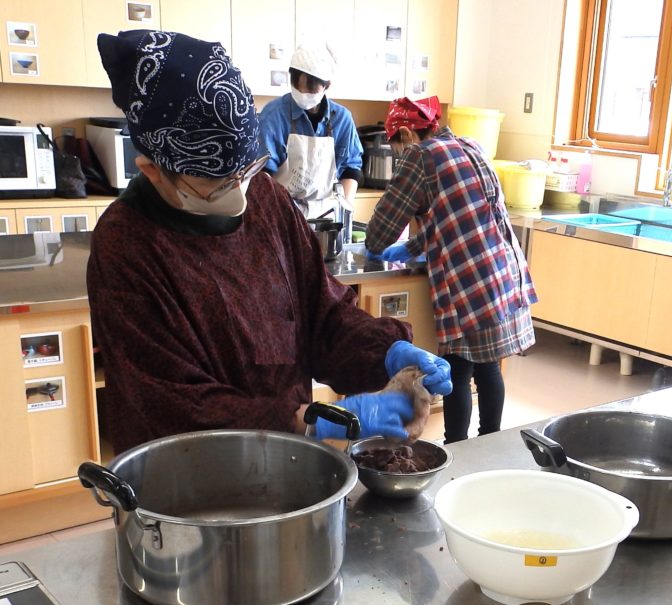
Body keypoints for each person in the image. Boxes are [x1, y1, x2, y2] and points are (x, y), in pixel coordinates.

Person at [88, 30, 451, 454]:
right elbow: (168, 402)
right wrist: (302, 420)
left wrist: (385, 351)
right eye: (216, 183)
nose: (240, 194)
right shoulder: (126, 245)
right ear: (152, 170)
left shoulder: (267, 200)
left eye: (246, 169)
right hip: (186, 474)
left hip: (285, 461)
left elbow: (322, 315)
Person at [364, 96, 538, 443]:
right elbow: (455, 216)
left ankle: (456, 449)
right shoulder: (470, 145)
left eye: (395, 146)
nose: (398, 154)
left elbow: (379, 232)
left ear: (407, 135)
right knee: (488, 365)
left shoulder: (419, 157)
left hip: (469, 278)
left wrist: (376, 245)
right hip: (503, 269)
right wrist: (413, 247)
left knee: (457, 368)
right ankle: (489, 444)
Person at [257, 42, 363, 219]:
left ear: (327, 85)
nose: (303, 93)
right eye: (297, 87)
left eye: (310, 89)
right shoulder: (273, 115)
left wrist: (345, 210)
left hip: (327, 214)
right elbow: (262, 174)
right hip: (281, 211)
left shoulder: (342, 119)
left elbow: (351, 169)